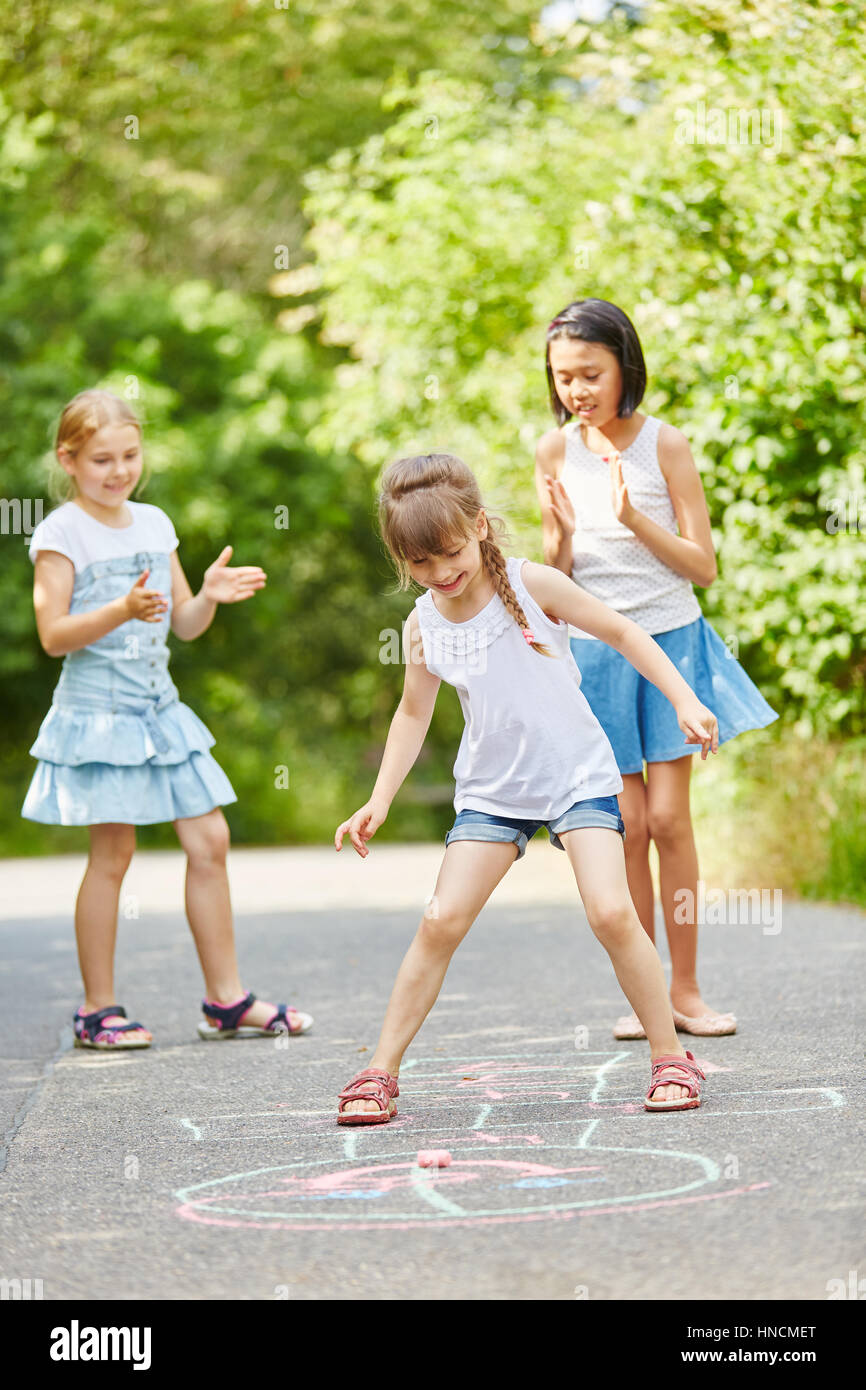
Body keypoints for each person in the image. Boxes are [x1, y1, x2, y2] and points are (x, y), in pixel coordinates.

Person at [334, 451, 718, 1122]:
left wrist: (683, 700)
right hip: (493, 792)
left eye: (448, 553)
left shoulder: (533, 583)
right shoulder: (422, 624)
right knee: (440, 919)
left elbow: (625, 631)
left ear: (480, 526)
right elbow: (412, 713)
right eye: (419, 564)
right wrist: (380, 798)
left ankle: (669, 1057)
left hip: (576, 776)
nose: (439, 573)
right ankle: (378, 1071)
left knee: (610, 911)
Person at [22, 388, 312, 1050]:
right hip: (99, 713)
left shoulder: (153, 523)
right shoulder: (60, 532)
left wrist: (207, 596)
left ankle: (227, 1000)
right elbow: (54, 634)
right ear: (69, 460)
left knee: (210, 839)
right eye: (101, 460)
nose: (119, 471)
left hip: (159, 709)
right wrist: (121, 609)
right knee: (113, 853)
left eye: (129, 455)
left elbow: (182, 624)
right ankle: (98, 1010)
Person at [535, 298, 778, 1040]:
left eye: (591, 373)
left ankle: (689, 990)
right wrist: (566, 535)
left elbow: (703, 567)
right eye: (564, 377)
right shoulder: (553, 452)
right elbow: (556, 579)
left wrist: (635, 518)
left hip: (670, 642)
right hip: (596, 652)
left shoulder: (664, 445)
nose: (578, 390)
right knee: (629, 826)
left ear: (624, 367)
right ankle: (650, 998)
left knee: (670, 820)